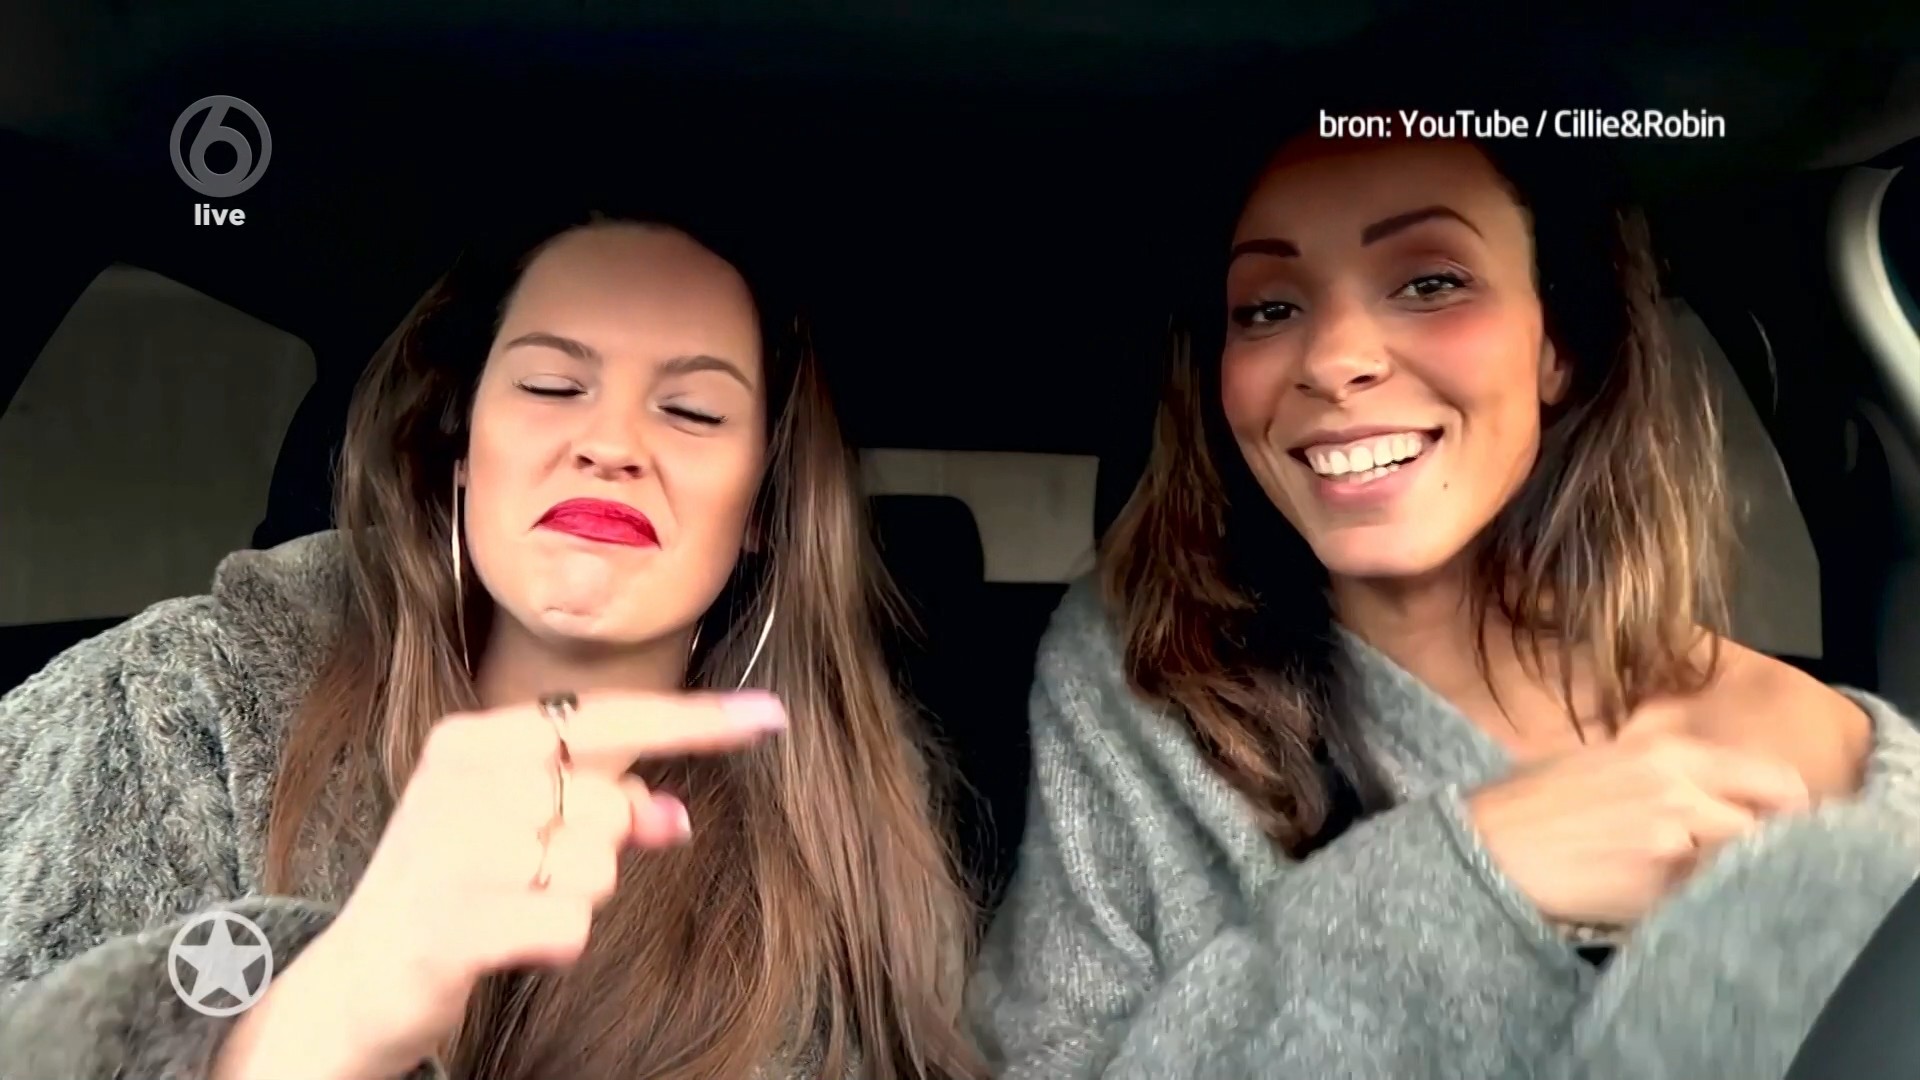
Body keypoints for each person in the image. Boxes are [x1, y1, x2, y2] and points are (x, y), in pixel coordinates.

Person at [969, 93, 1920, 1080]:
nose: (1334, 360)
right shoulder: (1148, 685)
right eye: (1269, 308)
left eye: (1430, 282)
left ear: (1560, 345)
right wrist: (1463, 877)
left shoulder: (1845, 769)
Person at [0, 209, 986, 1079]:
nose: (612, 444)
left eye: (691, 410)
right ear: (462, 450)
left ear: (762, 506)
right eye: (553, 386)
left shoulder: (852, 837)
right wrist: (315, 1026)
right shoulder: (177, 705)